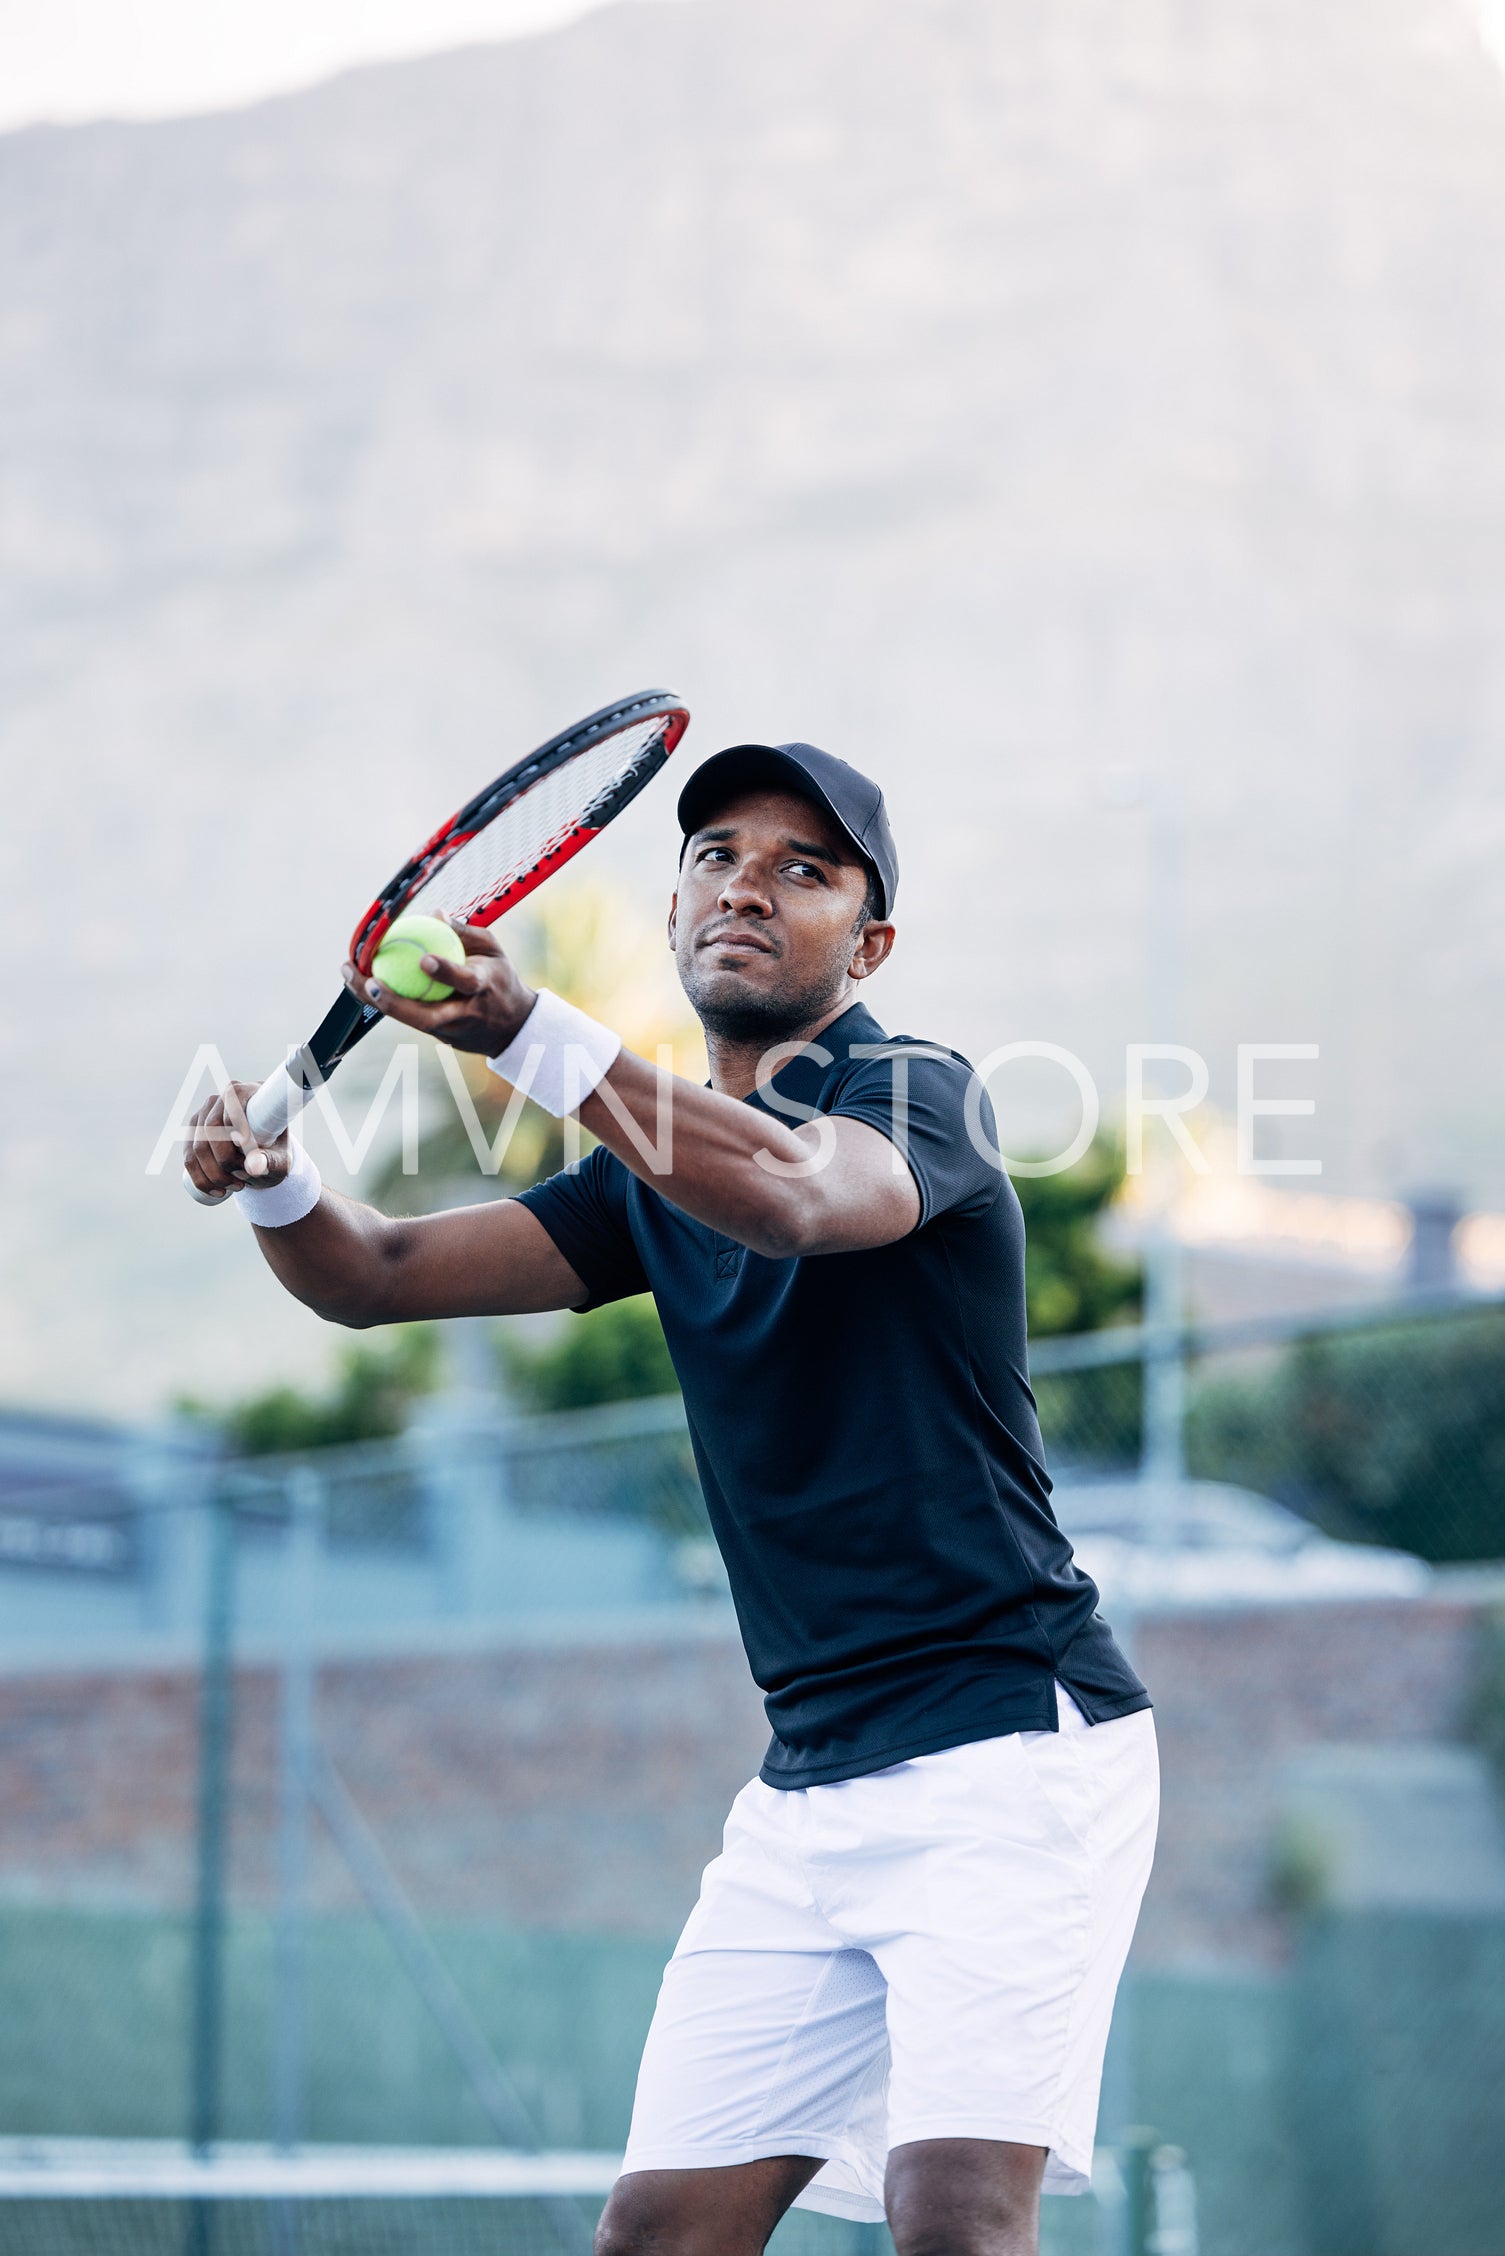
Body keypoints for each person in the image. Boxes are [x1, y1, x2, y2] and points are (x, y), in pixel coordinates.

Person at [186, 740, 1158, 2256]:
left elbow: (789, 1194)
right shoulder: (649, 1175)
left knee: (954, 2219)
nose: (746, 888)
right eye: (714, 856)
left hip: (1006, 1751)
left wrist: (528, 1032)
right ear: (671, 911)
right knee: (658, 2236)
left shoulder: (919, 1096)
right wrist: (271, 1182)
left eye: (803, 869)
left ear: (869, 942)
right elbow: (370, 1279)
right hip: (808, 1783)